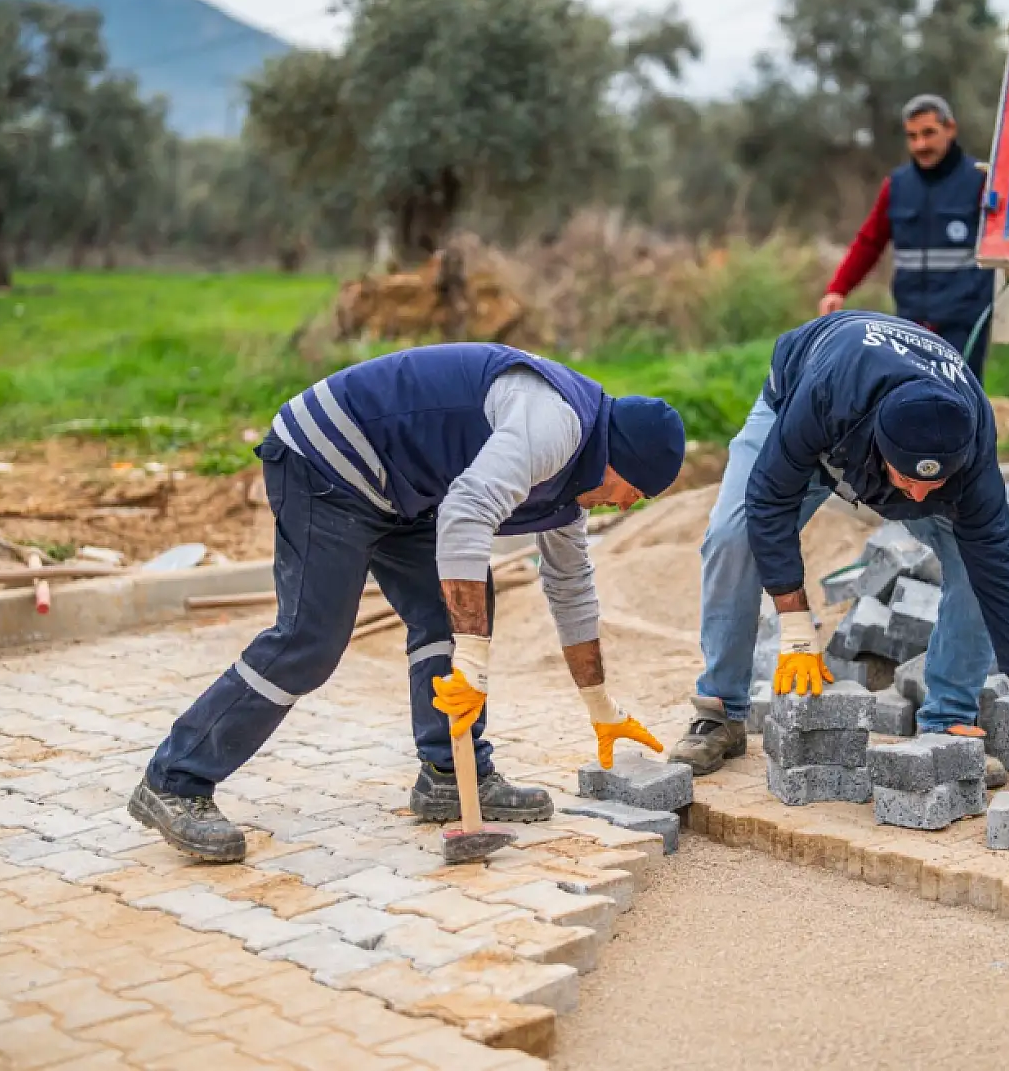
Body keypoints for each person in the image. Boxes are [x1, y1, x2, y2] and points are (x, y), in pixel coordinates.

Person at [131, 343, 687, 862]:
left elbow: (571, 588)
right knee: (310, 640)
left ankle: (449, 776)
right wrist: (472, 660)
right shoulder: (553, 426)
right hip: (330, 456)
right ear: (618, 460)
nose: (625, 507)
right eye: (634, 494)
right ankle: (174, 780)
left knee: (450, 614)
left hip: (408, 490)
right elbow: (467, 511)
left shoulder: (575, 487)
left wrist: (600, 706)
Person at [670, 310, 1009, 790]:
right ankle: (720, 710)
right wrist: (797, 628)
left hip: (893, 430)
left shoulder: (972, 450)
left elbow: (1001, 578)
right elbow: (769, 499)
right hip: (810, 405)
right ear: (880, 448)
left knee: (975, 567)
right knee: (733, 536)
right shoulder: (827, 394)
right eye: (908, 479)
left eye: (935, 484)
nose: (921, 497)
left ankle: (948, 720)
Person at [818, 94, 995, 382]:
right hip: (910, 319)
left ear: (950, 129)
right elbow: (869, 242)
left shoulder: (981, 182)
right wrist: (838, 289)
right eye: (912, 136)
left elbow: (1006, 250)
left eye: (929, 133)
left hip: (963, 320)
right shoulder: (897, 186)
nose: (920, 145)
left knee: (958, 397)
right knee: (909, 395)